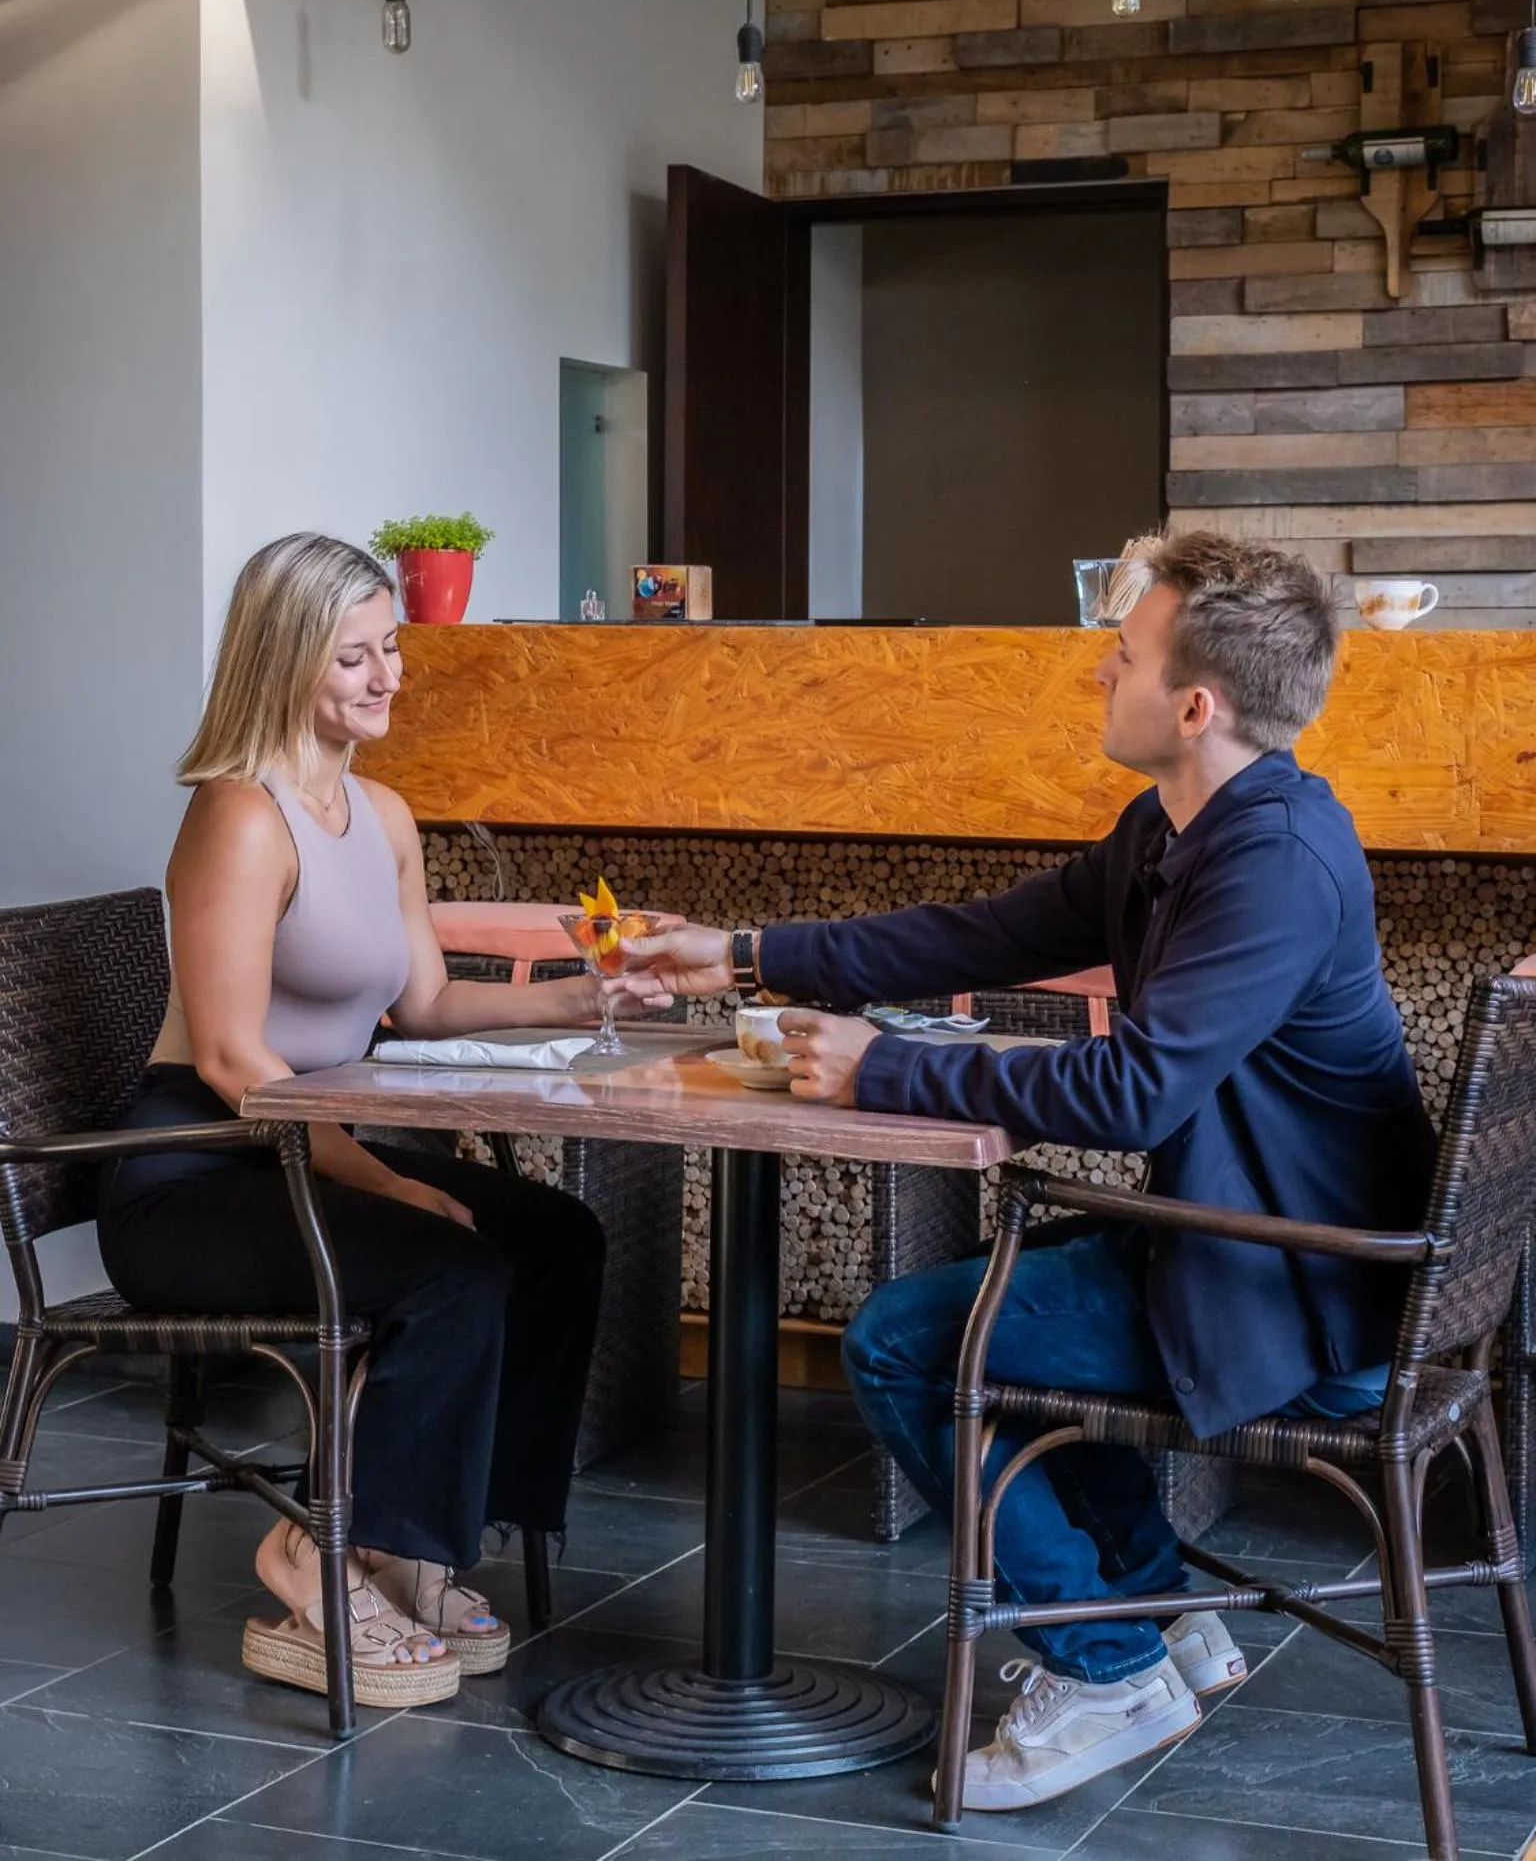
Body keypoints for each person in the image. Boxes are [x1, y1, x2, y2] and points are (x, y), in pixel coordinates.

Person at [625, 530, 1437, 1812]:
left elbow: (1133, 1091)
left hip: (1300, 1287)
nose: (1097, 672)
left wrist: (881, 1066)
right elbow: (981, 933)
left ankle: (1105, 1665)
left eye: (1123, 655)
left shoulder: (1274, 863)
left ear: (1195, 706)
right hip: (1239, 1239)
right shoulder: (1178, 829)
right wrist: (741, 951)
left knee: (906, 1341)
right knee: (982, 1325)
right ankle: (1152, 1614)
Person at [100, 533, 661, 1709]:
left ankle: (423, 1546)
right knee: (451, 1267)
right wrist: (390, 1182)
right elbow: (233, 1061)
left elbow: (428, 1001)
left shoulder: (385, 814)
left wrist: (594, 988)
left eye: (391, 647)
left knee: (555, 1237)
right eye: (353, 655)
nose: (388, 675)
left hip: (308, 1149)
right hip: (195, 1170)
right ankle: (316, 1548)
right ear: (285, 659)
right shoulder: (238, 816)